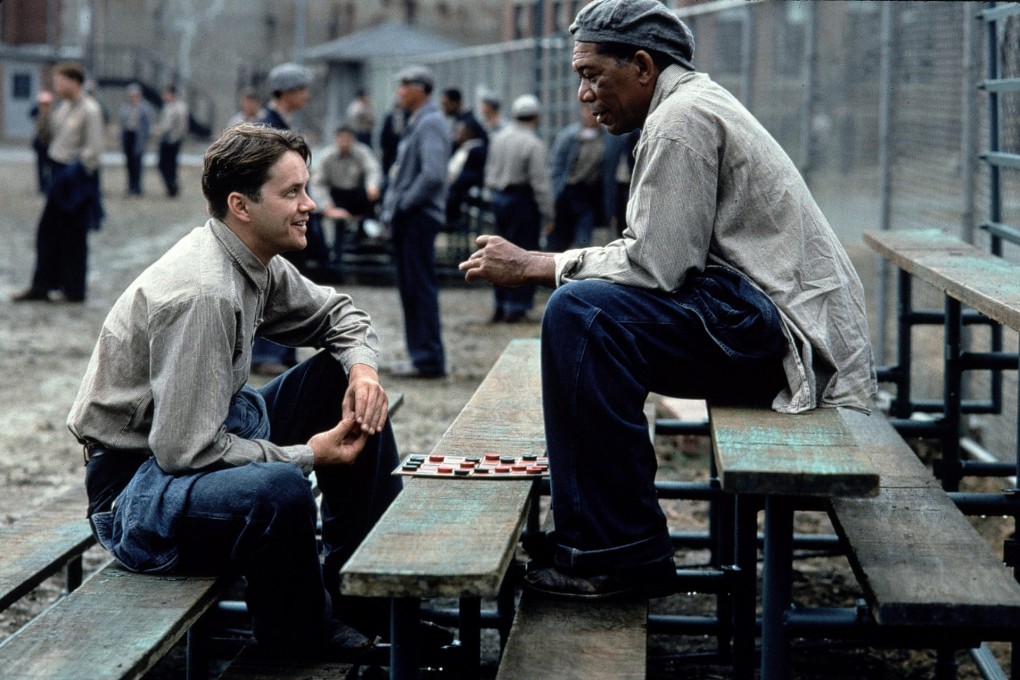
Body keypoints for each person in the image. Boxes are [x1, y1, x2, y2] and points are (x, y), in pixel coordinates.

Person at [459, 0, 876, 600]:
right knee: (590, 315)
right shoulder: (686, 105)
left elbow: (658, 266)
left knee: (583, 317)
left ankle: (617, 552)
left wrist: (536, 264)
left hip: (784, 338)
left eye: (593, 75)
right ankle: (599, 533)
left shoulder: (681, 120)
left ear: (644, 66)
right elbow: (664, 260)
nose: (583, 94)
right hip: (756, 315)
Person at [67, 123, 406, 660]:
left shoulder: (251, 257)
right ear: (241, 206)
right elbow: (186, 452)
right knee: (281, 491)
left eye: (306, 189)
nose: (310, 205)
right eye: (291, 193)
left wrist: (363, 372)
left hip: (201, 440)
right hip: (136, 494)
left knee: (340, 381)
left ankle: (362, 592)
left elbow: (340, 314)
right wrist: (307, 455)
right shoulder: (205, 293)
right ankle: (298, 636)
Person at [253, 62, 326, 373]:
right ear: (287, 93)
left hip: (287, 213)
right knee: (271, 284)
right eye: (301, 90)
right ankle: (266, 355)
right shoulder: (267, 128)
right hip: (274, 216)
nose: (306, 95)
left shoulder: (281, 124)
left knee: (284, 284)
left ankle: (281, 353)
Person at [12, 61, 104, 303]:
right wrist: (43, 113)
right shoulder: (63, 108)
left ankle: (74, 290)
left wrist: (74, 171)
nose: (56, 85)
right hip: (59, 176)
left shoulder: (90, 110)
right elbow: (47, 137)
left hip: (76, 180)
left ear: (74, 82)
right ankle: (42, 285)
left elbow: (94, 150)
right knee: (48, 232)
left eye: (60, 80)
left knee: (74, 236)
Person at [380, 65, 450, 378]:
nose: (399, 92)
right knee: (412, 288)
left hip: (418, 217)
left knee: (418, 288)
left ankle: (427, 359)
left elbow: (433, 174)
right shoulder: (418, 121)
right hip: (411, 217)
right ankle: (421, 357)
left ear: (419, 89)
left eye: (404, 86)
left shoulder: (431, 122)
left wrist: (404, 204)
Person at [481, 94, 553, 323]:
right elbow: (540, 182)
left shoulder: (498, 138)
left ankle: (499, 303)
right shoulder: (533, 143)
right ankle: (517, 305)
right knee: (522, 254)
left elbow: (490, 171)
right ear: (535, 117)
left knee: (498, 253)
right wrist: (548, 212)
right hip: (522, 200)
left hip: (499, 198)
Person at [546, 102, 626, 251]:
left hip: (589, 196)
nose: (592, 115)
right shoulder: (569, 136)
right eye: (588, 111)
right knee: (558, 242)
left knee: (583, 240)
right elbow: (556, 169)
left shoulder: (609, 139)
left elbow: (611, 174)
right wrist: (554, 198)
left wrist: (611, 210)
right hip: (568, 194)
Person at [314, 124, 383, 264]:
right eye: (341, 138)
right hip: (336, 196)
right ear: (336, 139)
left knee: (373, 199)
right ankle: (326, 256)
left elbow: (373, 170)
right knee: (320, 219)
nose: (344, 142)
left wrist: (372, 186)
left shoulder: (362, 152)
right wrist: (327, 205)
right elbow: (317, 183)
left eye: (348, 139)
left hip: (357, 195)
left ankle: (370, 234)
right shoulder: (327, 157)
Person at [445, 115, 488, 232]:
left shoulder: (476, 149)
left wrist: (456, 181)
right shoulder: (464, 147)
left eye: (459, 131)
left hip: (463, 190)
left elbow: (472, 174)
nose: (456, 134)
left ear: (468, 133)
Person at [118, 83, 154, 196]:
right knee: (128, 163)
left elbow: (148, 125)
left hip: (138, 137)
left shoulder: (145, 108)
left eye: (135, 95)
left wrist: (145, 139)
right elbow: (122, 125)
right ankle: (130, 186)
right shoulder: (125, 107)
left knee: (137, 163)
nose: (133, 98)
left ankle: (137, 187)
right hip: (128, 136)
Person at [156, 85, 189, 198]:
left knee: (171, 164)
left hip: (173, 139)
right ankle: (170, 185)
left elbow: (182, 126)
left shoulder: (180, 108)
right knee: (162, 164)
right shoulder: (168, 107)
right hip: (166, 138)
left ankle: (173, 186)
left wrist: (176, 138)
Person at [30, 89, 55, 194]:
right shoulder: (38, 113)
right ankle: (42, 186)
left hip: (50, 144)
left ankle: (49, 185)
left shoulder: (53, 114)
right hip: (41, 145)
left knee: (51, 167)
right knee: (41, 167)